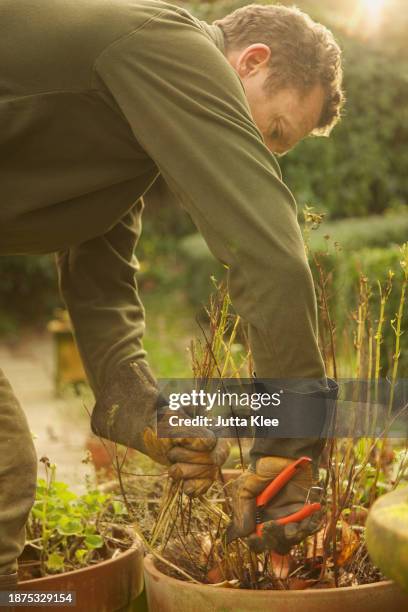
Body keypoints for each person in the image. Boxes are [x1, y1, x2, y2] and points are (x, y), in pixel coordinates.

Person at [0, 0, 343, 588]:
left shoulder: (127, 140)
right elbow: (271, 253)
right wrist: (293, 442)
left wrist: (134, 402)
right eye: (274, 131)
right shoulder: (170, 45)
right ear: (250, 63)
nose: (258, 151)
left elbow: (97, 270)